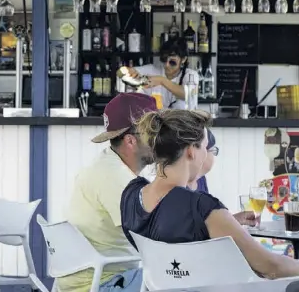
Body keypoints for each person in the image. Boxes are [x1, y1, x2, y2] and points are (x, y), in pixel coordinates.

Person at [121, 109, 299, 279]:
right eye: (206, 147)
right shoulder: (201, 207)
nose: (206, 154)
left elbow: (174, 226)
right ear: (191, 150)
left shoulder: (131, 194)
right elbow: (270, 267)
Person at [59, 93, 158, 292]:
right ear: (131, 141)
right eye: (154, 131)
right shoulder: (117, 179)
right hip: (102, 283)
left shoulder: (109, 165)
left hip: (97, 277)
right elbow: (157, 239)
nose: (161, 138)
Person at [187, 129, 256, 227]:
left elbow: (205, 224)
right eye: (212, 150)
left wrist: (233, 220)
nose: (213, 156)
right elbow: (192, 230)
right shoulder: (179, 187)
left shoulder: (201, 180)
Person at [116, 38, 199, 109]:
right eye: (164, 59)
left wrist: (161, 81)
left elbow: (187, 94)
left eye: (172, 62)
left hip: (186, 125)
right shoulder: (153, 70)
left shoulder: (191, 75)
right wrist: (128, 73)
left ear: (183, 59)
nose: (166, 65)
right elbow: (119, 72)